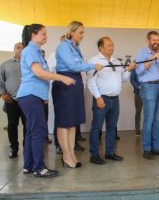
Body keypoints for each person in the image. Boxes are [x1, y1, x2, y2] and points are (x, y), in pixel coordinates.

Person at [17, 24, 75, 178]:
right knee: (38, 132)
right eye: (43, 34)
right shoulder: (30, 50)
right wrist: (62, 77)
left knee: (31, 131)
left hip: (33, 96)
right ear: (33, 35)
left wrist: (43, 97)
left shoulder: (36, 52)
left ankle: (29, 166)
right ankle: (39, 168)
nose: (46, 37)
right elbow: (39, 72)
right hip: (30, 95)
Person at [52, 21, 104, 168]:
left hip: (74, 83)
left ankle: (72, 154)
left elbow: (79, 65)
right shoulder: (63, 46)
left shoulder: (76, 47)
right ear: (72, 32)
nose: (82, 35)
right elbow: (73, 66)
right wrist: (94, 66)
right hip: (65, 84)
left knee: (73, 122)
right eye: (80, 32)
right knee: (64, 123)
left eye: (83, 32)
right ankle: (66, 156)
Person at [87, 37, 135, 164]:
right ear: (100, 47)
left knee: (112, 127)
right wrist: (98, 97)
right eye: (108, 45)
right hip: (102, 99)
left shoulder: (115, 61)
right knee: (96, 127)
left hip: (115, 100)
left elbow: (123, 79)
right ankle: (94, 155)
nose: (112, 47)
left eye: (112, 45)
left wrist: (129, 70)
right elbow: (91, 81)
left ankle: (109, 152)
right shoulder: (94, 61)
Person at [135, 31, 159, 160]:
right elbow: (139, 70)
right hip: (148, 86)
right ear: (148, 40)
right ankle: (147, 149)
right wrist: (153, 58)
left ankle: (156, 148)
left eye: (158, 40)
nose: (156, 42)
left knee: (157, 119)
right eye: (154, 39)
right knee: (149, 119)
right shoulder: (142, 53)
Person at [0, 42, 26, 158]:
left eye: (23, 48)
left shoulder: (30, 63)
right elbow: (0, 81)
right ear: (14, 49)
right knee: (12, 125)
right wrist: (3, 94)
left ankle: (27, 148)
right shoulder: (5, 64)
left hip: (27, 100)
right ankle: (14, 148)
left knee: (28, 125)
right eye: (18, 48)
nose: (20, 50)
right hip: (11, 100)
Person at [130, 70, 142, 136]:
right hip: (138, 93)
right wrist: (138, 87)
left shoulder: (149, 64)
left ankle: (148, 129)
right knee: (138, 111)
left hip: (149, 92)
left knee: (149, 112)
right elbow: (132, 80)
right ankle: (137, 130)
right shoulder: (135, 67)